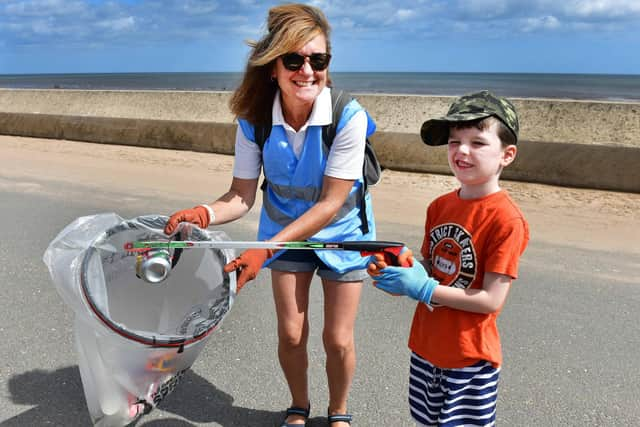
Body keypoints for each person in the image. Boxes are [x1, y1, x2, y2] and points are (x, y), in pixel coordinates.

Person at [164, 4, 376, 426]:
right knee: (292, 334)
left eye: (318, 60)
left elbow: (332, 202)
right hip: (282, 230)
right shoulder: (253, 121)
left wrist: (265, 251)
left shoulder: (348, 116)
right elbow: (241, 195)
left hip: (343, 232)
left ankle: (339, 412)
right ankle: (299, 405)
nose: (307, 70)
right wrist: (202, 215)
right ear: (272, 67)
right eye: (293, 60)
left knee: (337, 339)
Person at [368, 90, 529, 426]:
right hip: (426, 346)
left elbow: (490, 299)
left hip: (469, 356)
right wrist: (404, 270)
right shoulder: (439, 207)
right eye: (454, 141)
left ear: (507, 154)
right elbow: (431, 263)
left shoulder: (506, 220)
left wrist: (424, 290)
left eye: (478, 142)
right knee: (425, 420)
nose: (462, 151)